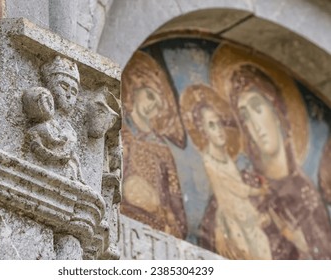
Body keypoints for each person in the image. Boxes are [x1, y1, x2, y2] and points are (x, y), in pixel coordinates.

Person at [229, 64, 331, 259]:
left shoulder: (308, 196)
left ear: (276, 111)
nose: (255, 125)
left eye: (257, 108)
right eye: (245, 116)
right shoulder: (241, 184)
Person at [183, 84, 271, 259]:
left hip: (248, 217)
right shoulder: (208, 162)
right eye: (211, 125)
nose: (219, 131)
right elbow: (237, 188)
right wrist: (259, 190)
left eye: (220, 124)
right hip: (232, 222)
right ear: (203, 131)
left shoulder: (230, 159)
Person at [121, 51, 187, 239]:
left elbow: (174, 196)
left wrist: (174, 226)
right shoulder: (119, 127)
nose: (153, 107)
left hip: (156, 225)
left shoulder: (161, 148)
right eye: (150, 96)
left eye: (159, 105)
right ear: (135, 88)